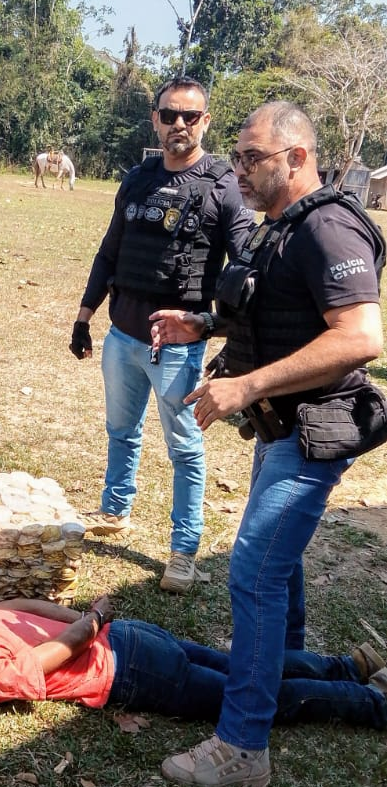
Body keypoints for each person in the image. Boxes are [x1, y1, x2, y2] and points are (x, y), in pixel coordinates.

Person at [151, 102, 384, 785]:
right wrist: (202, 324)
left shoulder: (330, 227)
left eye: (251, 157)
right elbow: (271, 307)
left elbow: (359, 337)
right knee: (274, 564)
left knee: (252, 568)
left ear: (296, 157)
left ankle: (243, 745)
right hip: (281, 424)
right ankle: (283, 672)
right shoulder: (277, 228)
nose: (238, 170)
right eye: (237, 156)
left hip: (312, 431)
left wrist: (247, 385)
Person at [69, 76, 253, 593]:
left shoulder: (224, 188)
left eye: (190, 117)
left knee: (185, 448)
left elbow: (245, 268)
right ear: (155, 119)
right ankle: (115, 507)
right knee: (120, 431)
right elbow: (110, 251)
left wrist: (220, 330)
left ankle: (183, 550)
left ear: (205, 122)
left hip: (178, 348)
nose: (178, 125)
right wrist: (85, 315)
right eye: (169, 115)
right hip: (122, 336)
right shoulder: (137, 179)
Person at [0, 597, 387, 736]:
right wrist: (96, 617)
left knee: (244, 699)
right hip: (131, 636)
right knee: (236, 665)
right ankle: (349, 665)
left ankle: (371, 704)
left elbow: (47, 658)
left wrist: (88, 629)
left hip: (130, 670)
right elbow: (29, 607)